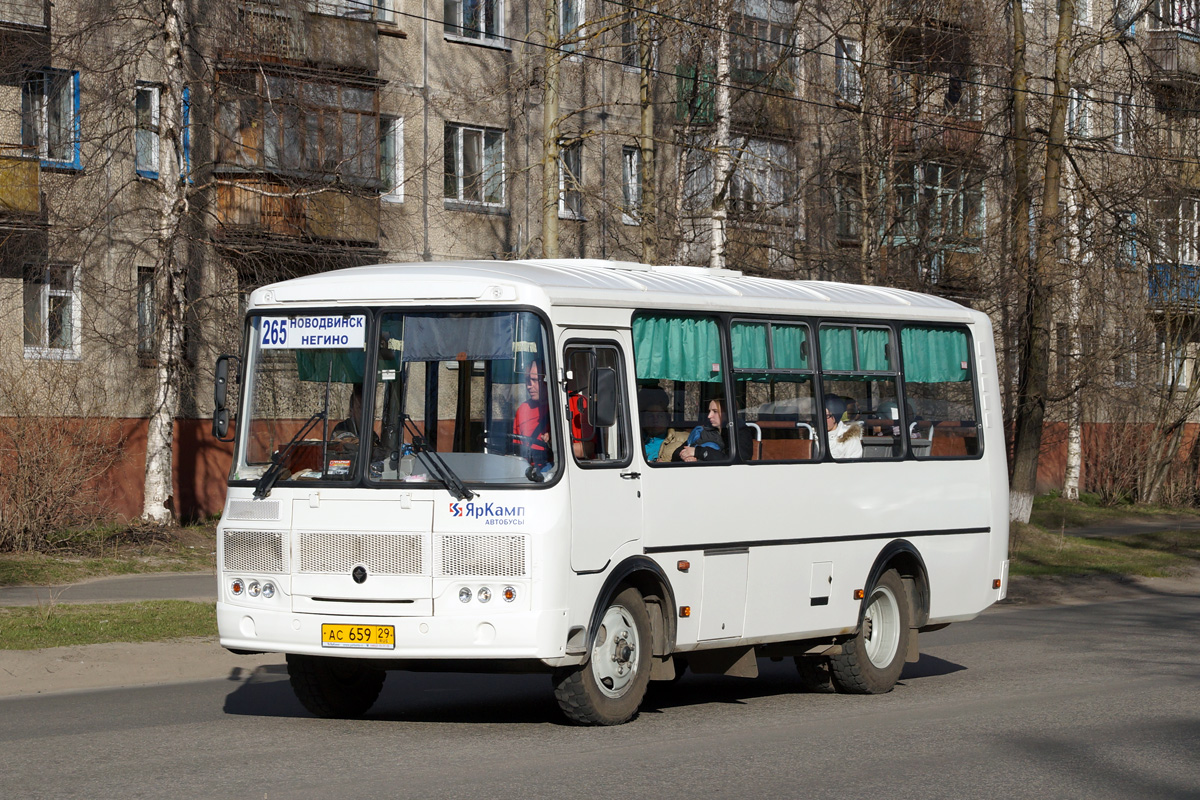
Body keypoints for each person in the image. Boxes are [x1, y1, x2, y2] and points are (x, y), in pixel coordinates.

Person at [514, 360, 551, 463]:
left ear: (547, 379)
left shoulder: (573, 403)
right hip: (528, 470)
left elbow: (587, 450)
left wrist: (554, 445)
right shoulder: (523, 409)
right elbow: (516, 449)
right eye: (527, 380)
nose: (529, 386)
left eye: (535, 380)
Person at [677, 398, 730, 462]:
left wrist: (697, 453)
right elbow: (677, 453)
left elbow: (729, 460)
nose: (709, 416)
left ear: (727, 413)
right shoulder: (704, 431)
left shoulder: (737, 435)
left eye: (715, 411)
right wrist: (686, 456)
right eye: (709, 411)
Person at [825, 393, 863, 459]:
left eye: (826, 416)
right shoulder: (812, 436)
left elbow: (853, 465)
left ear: (835, 417)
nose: (821, 419)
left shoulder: (849, 438)